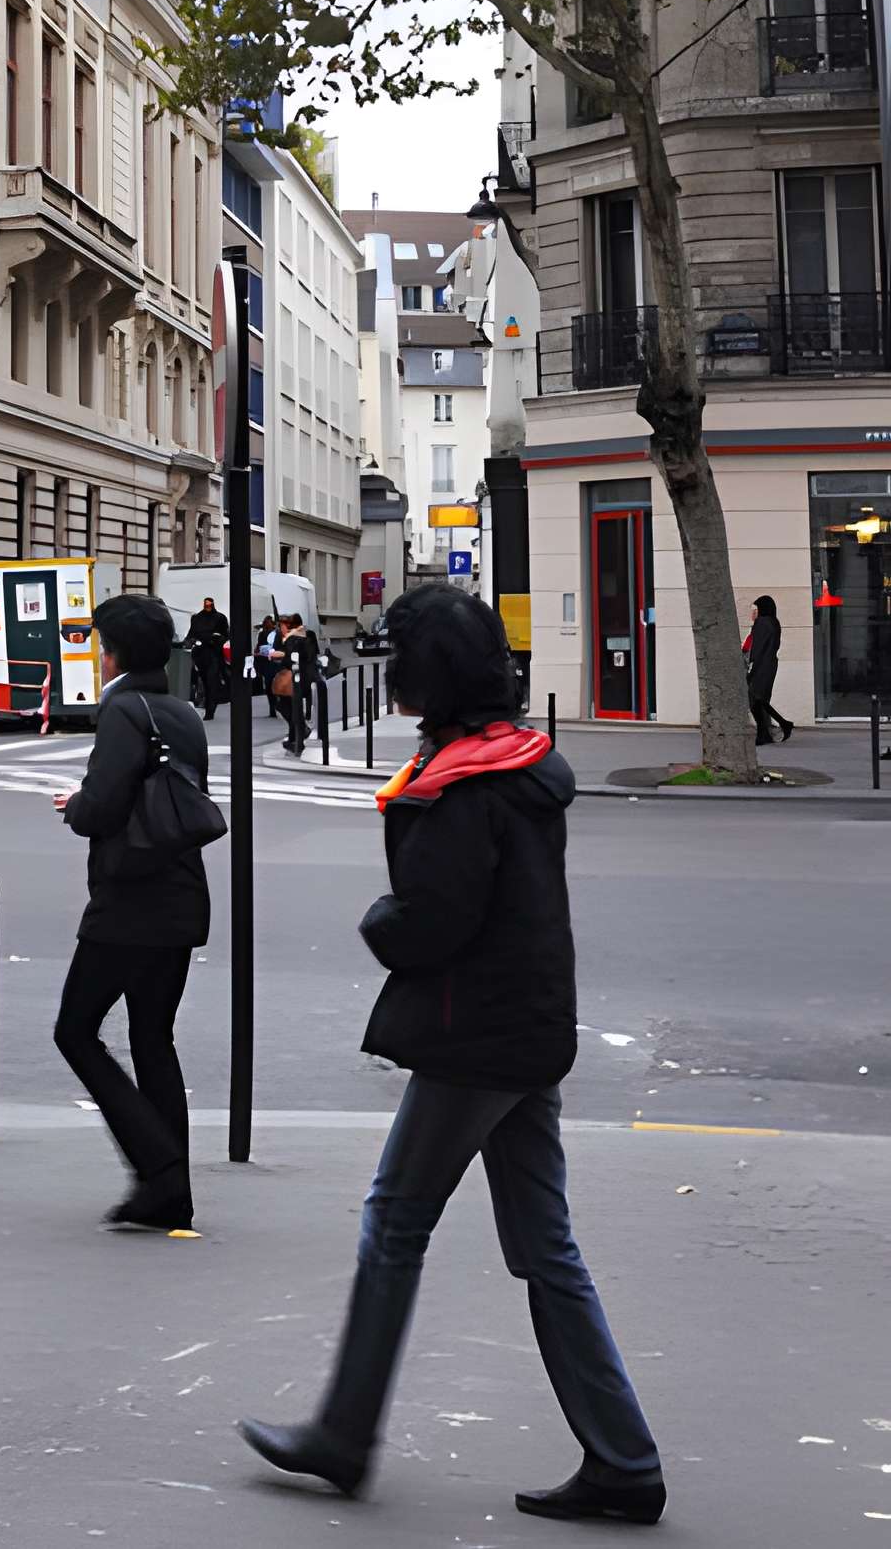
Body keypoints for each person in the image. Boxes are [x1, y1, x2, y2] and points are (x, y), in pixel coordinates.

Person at [240, 583, 664, 1527]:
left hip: (475, 1035)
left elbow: (434, 921)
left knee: (394, 1222)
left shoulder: (466, 784)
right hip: (529, 1027)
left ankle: (344, 1437)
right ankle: (625, 1459)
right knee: (546, 1248)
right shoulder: (519, 764)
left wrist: (380, 921)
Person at [52, 593, 210, 1232]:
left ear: (111, 651)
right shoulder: (182, 712)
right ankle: (170, 1192)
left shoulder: (120, 711)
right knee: (153, 1038)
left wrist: (77, 806)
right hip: (179, 894)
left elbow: (106, 806)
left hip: (128, 902)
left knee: (75, 1030)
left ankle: (159, 1164)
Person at [745, 595, 792, 748]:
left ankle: (766, 732)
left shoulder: (761, 623)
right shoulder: (773, 622)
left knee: (755, 700)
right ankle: (776, 727)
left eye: (755, 610)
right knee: (761, 700)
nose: (753, 614)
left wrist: (751, 667)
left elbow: (757, 648)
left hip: (761, 666)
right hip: (769, 664)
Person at [184, 596, 230, 719]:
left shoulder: (220, 618)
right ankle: (208, 705)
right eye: (206, 605)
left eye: (210, 605)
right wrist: (191, 641)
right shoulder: (197, 618)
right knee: (204, 681)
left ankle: (210, 709)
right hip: (200, 654)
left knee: (211, 681)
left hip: (214, 653)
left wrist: (216, 640)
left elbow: (226, 635)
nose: (208, 607)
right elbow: (191, 634)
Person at [269, 613, 308, 755]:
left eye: (284, 625)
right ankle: (297, 735)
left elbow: (293, 657)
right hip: (290, 675)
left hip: (294, 676)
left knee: (290, 707)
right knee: (290, 707)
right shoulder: (287, 637)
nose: (282, 627)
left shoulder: (297, 637)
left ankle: (298, 737)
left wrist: (281, 655)